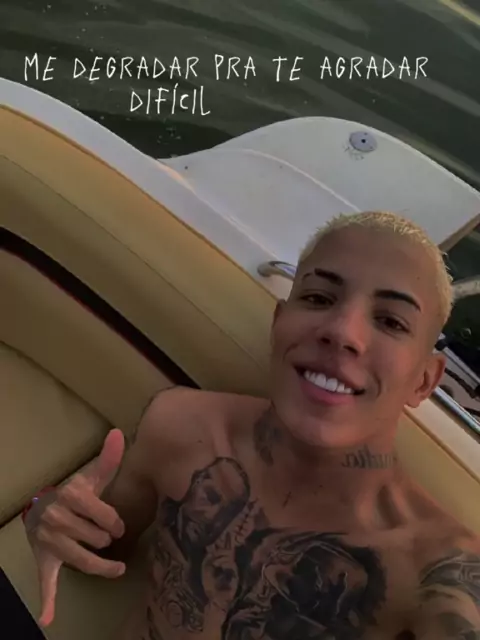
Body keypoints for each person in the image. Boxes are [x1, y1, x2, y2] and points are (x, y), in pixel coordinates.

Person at [25, 210, 480, 639]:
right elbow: (103, 546)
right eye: (319, 298)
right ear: (279, 324)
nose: (343, 331)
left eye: (390, 321)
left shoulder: (438, 572)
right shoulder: (180, 425)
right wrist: (47, 514)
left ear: (424, 380)